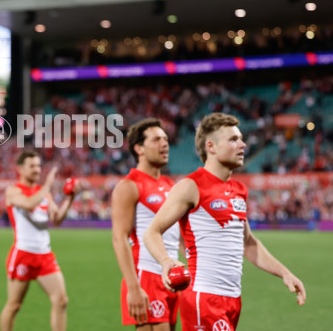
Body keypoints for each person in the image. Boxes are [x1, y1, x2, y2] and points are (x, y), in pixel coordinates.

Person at [143, 112, 306, 331]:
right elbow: (152, 232)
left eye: (240, 138)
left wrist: (285, 273)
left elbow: (248, 243)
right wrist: (165, 261)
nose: (243, 144)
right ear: (211, 146)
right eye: (233, 139)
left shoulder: (239, 190)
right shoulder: (191, 186)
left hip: (232, 300)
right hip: (205, 297)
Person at [111, 118, 181, 330]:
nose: (165, 144)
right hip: (146, 276)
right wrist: (133, 287)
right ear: (139, 148)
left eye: (166, 139)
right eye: (157, 139)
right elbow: (119, 238)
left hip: (172, 277)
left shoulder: (171, 186)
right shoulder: (129, 186)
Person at [0, 150, 80, 331]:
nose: (37, 170)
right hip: (23, 253)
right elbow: (28, 204)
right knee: (14, 305)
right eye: (32, 166)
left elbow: (56, 219)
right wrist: (47, 186)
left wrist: (70, 198)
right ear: (20, 169)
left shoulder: (44, 194)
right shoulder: (13, 191)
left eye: (38, 165)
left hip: (44, 254)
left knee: (61, 300)